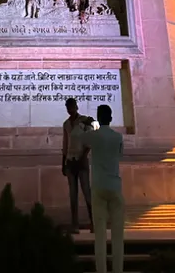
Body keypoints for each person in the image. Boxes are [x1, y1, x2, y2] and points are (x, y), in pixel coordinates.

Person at [82, 105, 124, 273]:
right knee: (118, 237)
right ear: (111, 118)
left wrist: (87, 124)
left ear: (99, 118)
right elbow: (119, 155)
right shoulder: (118, 137)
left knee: (100, 236)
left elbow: (76, 136)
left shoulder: (93, 136)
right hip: (114, 185)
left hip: (98, 186)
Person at [62, 97, 93, 233]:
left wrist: (83, 155)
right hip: (70, 161)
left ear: (76, 106)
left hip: (81, 160)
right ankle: (75, 224)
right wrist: (63, 162)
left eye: (72, 106)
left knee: (87, 192)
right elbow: (65, 143)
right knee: (73, 194)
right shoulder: (66, 124)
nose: (71, 109)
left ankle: (94, 222)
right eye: (68, 107)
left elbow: (90, 140)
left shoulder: (84, 121)